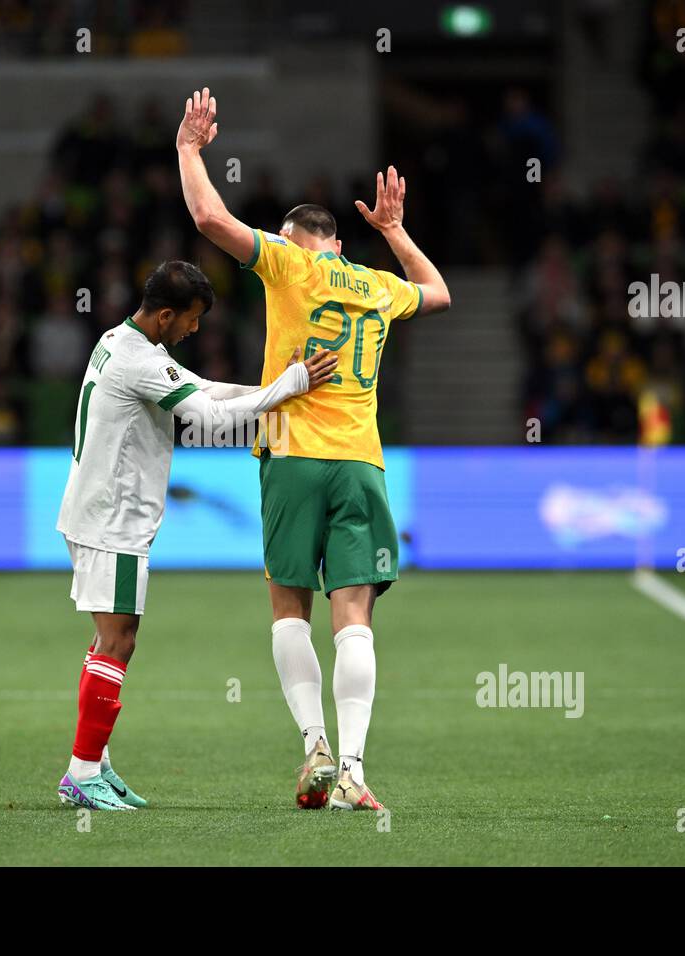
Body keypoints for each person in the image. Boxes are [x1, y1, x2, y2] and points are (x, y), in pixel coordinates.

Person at [175, 88, 452, 810]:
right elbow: (439, 293)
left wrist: (188, 149)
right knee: (354, 615)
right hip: (361, 461)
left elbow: (209, 218)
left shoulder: (289, 265)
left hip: (289, 452)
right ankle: (354, 770)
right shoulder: (377, 286)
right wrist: (395, 230)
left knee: (288, 608)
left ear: (291, 240)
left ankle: (315, 747)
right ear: (339, 244)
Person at [54, 260, 338, 810]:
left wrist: (277, 388)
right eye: (192, 318)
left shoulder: (122, 341)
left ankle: (94, 764)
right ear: (166, 315)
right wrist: (289, 387)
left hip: (101, 511)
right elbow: (209, 416)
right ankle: (82, 772)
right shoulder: (139, 360)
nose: (196, 328)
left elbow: (203, 388)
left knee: (109, 640)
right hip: (112, 518)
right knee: (118, 641)